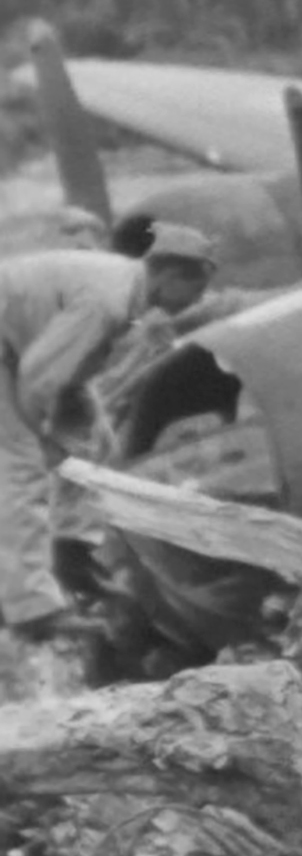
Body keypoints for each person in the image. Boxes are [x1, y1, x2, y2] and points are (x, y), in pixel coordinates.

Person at [0, 226, 218, 642]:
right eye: (197, 288)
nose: (199, 301)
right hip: (14, 358)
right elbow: (40, 377)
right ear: (170, 275)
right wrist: (43, 438)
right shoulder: (108, 301)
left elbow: (68, 369)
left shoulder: (126, 291)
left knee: (97, 442)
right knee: (21, 466)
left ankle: (72, 549)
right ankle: (31, 612)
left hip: (21, 352)